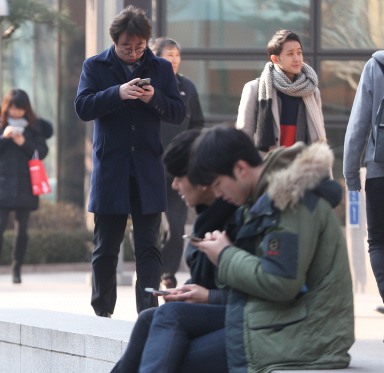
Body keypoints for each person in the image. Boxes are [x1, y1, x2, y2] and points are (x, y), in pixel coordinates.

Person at [125, 127, 355, 372]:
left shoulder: (289, 201)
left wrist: (225, 255)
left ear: (241, 169)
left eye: (217, 184)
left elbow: (281, 282)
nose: (217, 194)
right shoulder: (260, 201)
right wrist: (213, 282)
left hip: (306, 334)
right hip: (277, 318)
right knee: (159, 322)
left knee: (172, 352)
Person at [75, 5, 186, 317]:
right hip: (111, 167)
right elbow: (82, 108)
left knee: (149, 247)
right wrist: (118, 93)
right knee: (106, 246)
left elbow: (178, 113)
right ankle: (102, 311)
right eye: (127, 47)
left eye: (139, 47)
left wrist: (154, 98)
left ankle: (148, 312)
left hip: (148, 168)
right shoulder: (94, 66)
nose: (134, 53)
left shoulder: (162, 68)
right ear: (115, 42)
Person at [111, 129, 236, 372]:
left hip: (257, 321)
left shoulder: (247, 215)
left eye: (179, 176)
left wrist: (209, 295)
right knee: (150, 318)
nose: (174, 185)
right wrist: (189, 291)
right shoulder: (206, 218)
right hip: (232, 311)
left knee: (170, 320)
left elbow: (268, 291)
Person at [0, 89, 53, 285]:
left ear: (26, 108)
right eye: (11, 107)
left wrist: (24, 143)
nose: (15, 112)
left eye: (19, 108)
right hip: (1, 181)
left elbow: (42, 151)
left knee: (22, 230)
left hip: (26, 182)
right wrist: (3, 137)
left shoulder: (34, 125)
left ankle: (16, 270)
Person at [149, 37, 205, 289]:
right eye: (169, 54)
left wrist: (189, 149)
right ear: (156, 57)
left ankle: (167, 272)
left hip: (177, 169)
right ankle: (149, 264)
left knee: (175, 224)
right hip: (148, 167)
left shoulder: (188, 87)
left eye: (177, 55)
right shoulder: (147, 85)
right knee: (146, 223)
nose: (174, 59)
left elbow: (197, 124)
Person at [236, 30, 326, 153]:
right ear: (275, 59)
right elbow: (243, 136)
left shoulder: (311, 91)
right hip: (267, 167)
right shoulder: (254, 89)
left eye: (299, 53)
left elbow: (320, 137)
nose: (297, 59)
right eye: (290, 54)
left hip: (303, 167)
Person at [344, 51, 384, 314]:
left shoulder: (376, 66)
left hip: (379, 172)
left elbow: (359, 124)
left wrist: (350, 174)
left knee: (379, 241)